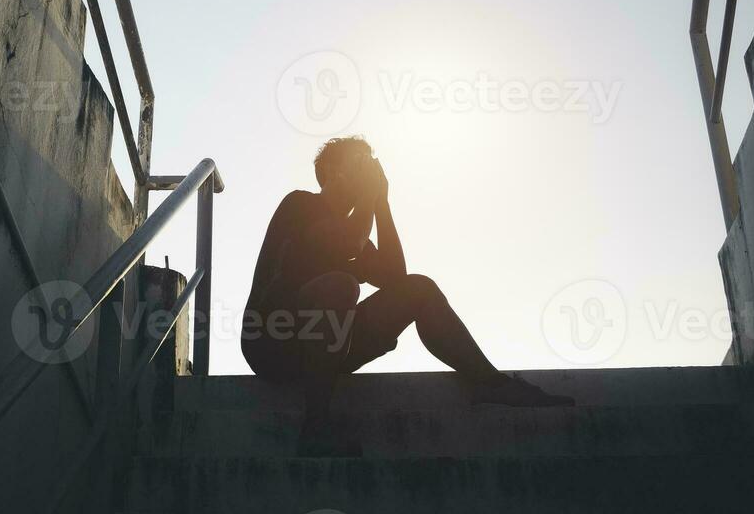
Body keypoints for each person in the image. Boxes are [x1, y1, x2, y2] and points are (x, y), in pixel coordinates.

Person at [242, 136, 573, 454]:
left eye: (369, 165)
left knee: (419, 290)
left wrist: (381, 204)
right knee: (341, 286)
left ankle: (488, 382)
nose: (366, 171)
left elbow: (395, 278)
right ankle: (315, 428)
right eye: (357, 163)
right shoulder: (301, 205)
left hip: (324, 343)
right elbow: (345, 242)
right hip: (272, 339)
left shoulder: (357, 231)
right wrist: (370, 198)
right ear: (330, 172)